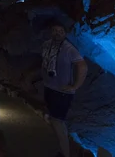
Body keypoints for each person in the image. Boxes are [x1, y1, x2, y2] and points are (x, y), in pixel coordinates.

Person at [41, 21, 88, 157]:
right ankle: (62, 149)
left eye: (60, 31)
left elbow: (82, 66)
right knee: (54, 121)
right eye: (55, 30)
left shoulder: (69, 49)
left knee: (57, 121)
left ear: (65, 33)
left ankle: (65, 154)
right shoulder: (46, 45)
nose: (57, 34)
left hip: (62, 92)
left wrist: (75, 86)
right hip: (49, 88)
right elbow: (44, 64)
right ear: (51, 32)